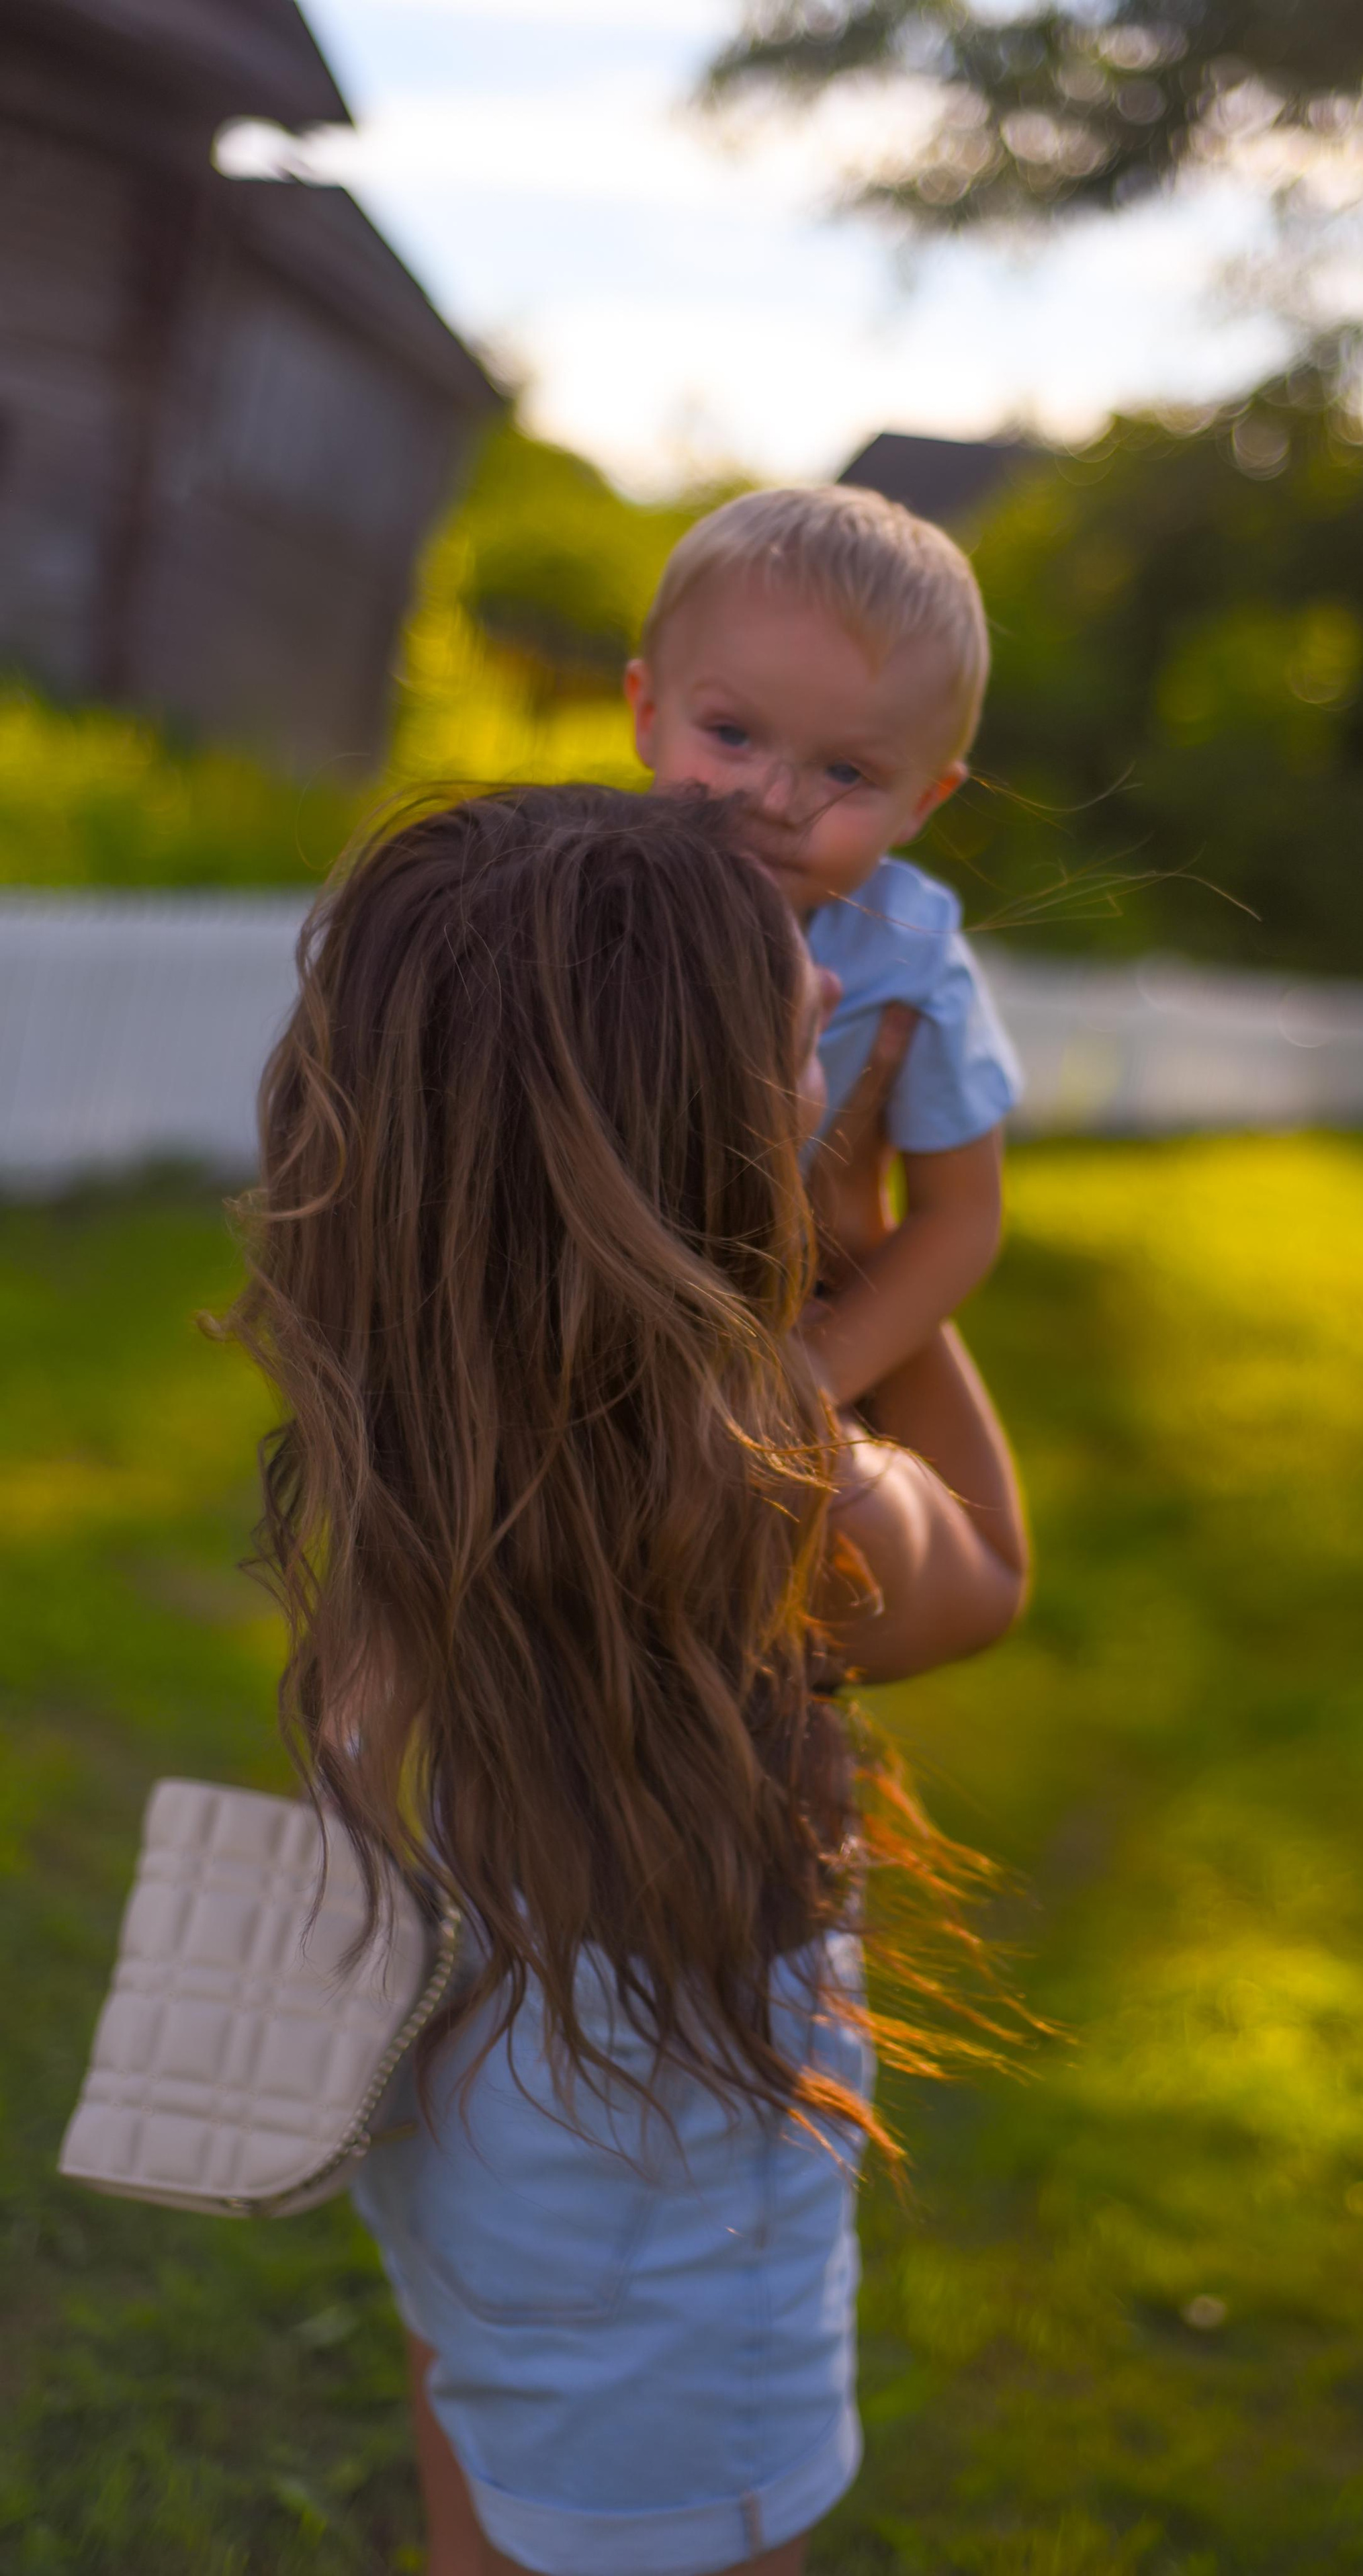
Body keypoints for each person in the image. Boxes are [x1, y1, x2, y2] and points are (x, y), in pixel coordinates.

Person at [226, 783, 1028, 2576]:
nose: (832, 996)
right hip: (665, 2157)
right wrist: (870, 1245)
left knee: (491, 2483)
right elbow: (984, 1574)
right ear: (728, 1134)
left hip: (456, 2088)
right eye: (796, 1012)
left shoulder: (416, 1396)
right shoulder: (768, 1477)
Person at [625, 483, 1022, 1411]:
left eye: (846, 770)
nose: (772, 795)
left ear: (922, 803)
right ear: (649, 713)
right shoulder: (571, 892)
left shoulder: (910, 961)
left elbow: (962, 1216)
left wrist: (816, 1375)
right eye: (730, 734)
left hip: (775, 1331)